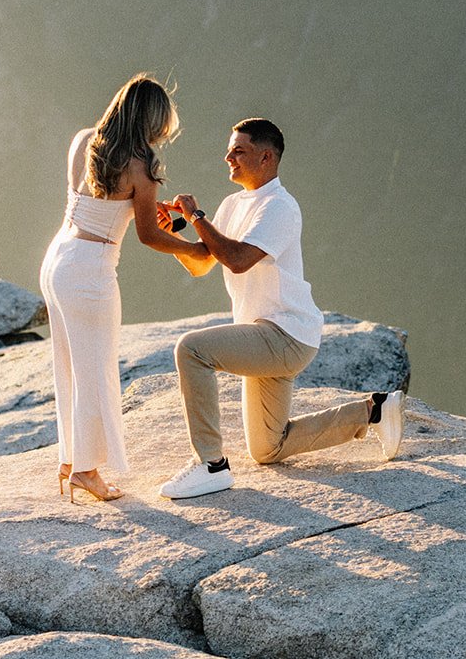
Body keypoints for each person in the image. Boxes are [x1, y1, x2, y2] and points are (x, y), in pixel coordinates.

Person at [154, 117, 405, 499]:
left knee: (191, 349)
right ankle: (374, 411)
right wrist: (172, 232)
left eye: (239, 151)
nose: (228, 157)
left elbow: (237, 259)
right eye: (229, 149)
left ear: (266, 157)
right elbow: (204, 261)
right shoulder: (234, 203)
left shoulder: (280, 207)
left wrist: (196, 216)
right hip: (263, 336)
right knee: (268, 448)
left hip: (284, 334)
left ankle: (211, 465)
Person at [38, 74, 205, 503]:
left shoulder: (85, 141)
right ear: (153, 122)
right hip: (91, 271)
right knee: (95, 370)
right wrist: (196, 247)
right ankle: (87, 471)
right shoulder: (141, 166)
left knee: (69, 367)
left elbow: (99, 205)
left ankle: (69, 459)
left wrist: (141, 207)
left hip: (58, 258)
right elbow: (150, 236)